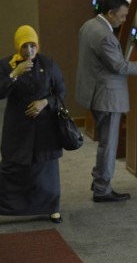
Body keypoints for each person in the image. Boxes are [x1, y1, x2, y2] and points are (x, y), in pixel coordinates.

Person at [75, 0, 137, 202]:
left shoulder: (88, 25)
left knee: (106, 142)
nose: (124, 20)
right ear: (110, 13)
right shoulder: (105, 36)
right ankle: (102, 189)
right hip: (107, 97)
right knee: (108, 144)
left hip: (94, 92)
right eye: (122, 16)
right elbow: (119, 66)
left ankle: (99, 181)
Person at [0, 25, 66, 223]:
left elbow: (61, 92)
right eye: (24, 46)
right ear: (17, 47)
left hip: (44, 127)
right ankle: (7, 207)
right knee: (13, 166)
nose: (29, 51)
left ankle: (52, 208)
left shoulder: (48, 63)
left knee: (46, 168)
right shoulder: (6, 65)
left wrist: (44, 103)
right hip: (18, 127)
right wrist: (15, 73)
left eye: (32, 46)